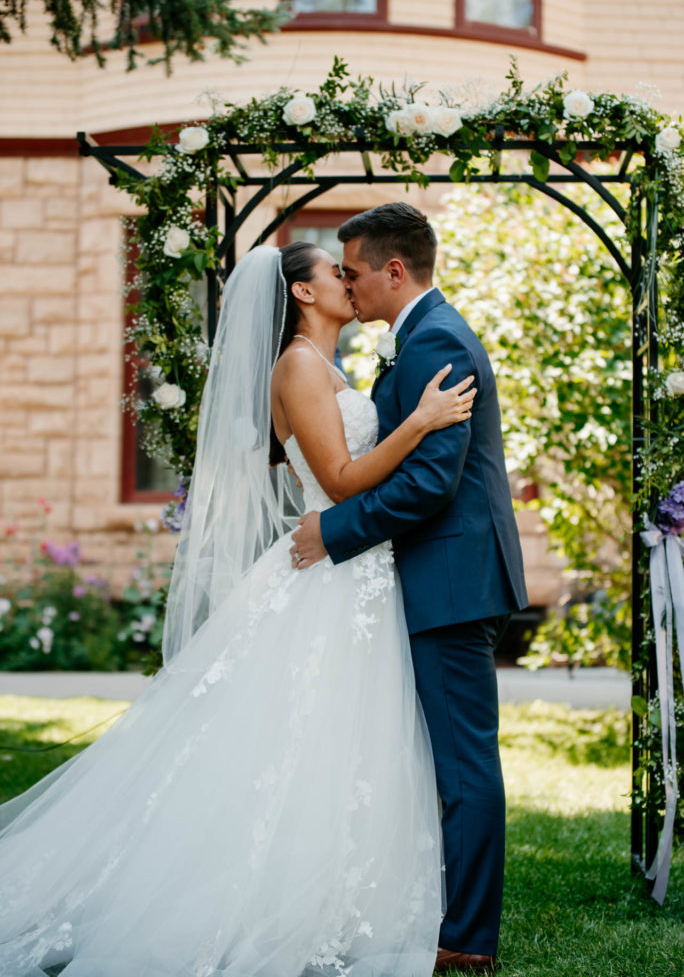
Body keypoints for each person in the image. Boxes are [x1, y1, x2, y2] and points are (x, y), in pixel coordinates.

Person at [0, 241, 476, 977]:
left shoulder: (330, 369)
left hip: (357, 576)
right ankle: (263, 901)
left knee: (344, 742)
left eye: (352, 272)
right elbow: (344, 482)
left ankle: (341, 898)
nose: (348, 282)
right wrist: (420, 423)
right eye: (335, 273)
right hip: (332, 576)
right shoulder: (297, 367)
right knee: (298, 743)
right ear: (305, 294)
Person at [292, 204, 529, 975]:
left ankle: (465, 941)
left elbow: (431, 483)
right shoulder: (419, 338)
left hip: (452, 580)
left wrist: (334, 533)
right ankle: (442, 916)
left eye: (354, 271)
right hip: (434, 577)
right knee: (442, 764)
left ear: (395, 271)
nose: (349, 286)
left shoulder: (435, 339)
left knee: (462, 767)